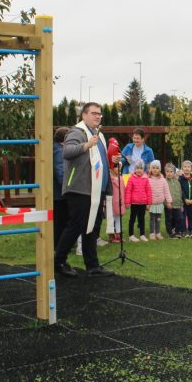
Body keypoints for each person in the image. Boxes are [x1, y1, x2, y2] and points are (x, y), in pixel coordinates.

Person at [55, 102, 115, 277]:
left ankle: (92, 266)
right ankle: (58, 261)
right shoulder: (77, 132)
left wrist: (113, 159)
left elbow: (102, 161)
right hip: (81, 189)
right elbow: (67, 151)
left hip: (97, 189)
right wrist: (87, 145)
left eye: (99, 114)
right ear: (84, 115)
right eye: (94, 113)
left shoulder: (98, 135)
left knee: (93, 228)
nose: (98, 116)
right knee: (77, 225)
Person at [52, 127, 73, 270]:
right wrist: (68, 188)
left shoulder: (56, 148)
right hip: (61, 193)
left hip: (58, 192)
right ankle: (60, 246)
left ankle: (58, 245)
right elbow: (61, 171)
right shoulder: (59, 151)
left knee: (61, 220)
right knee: (62, 221)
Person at [125, 160, 152, 242]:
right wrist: (127, 202)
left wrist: (148, 203)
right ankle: (131, 235)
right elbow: (128, 191)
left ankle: (142, 234)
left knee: (141, 219)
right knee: (132, 219)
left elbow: (149, 191)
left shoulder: (146, 178)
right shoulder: (131, 178)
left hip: (143, 203)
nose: (139, 170)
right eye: (137, 168)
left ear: (143, 169)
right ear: (135, 169)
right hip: (134, 203)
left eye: (141, 168)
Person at [147, 160, 172, 240]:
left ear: (160, 169)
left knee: (158, 219)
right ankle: (152, 233)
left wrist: (168, 201)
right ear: (150, 169)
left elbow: (166, 191)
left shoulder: (163, 180)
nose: (155, 169)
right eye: (153, 168)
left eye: (157, 168)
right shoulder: (148, 179)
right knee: (152, 219)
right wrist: (147, 203)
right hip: (151, 203)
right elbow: (146, 191)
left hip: (160, 203)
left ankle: (158, 233)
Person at [179, 161, 192, 237]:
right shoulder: (180, 179)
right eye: (185, 167)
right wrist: (185, 199)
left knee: (191, 217)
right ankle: (183, 231)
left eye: (188, 167)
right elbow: (180, 191)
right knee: (183, 217)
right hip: (184, 203)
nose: (186, 168)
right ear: (182, 168)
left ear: (191, 169)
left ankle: (191, 230)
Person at [164, 162, 183, 238]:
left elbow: (179, 193)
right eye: (167, 171)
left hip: (177, 204)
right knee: (169, 219)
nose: (169, 173)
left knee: (179, 218)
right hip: (169, 204)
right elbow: (164, 193)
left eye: (171, 171)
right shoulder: (164, 181)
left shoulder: (177, 182)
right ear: (165, 172)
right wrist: (167, 203)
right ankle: (170, 232)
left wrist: (181, 204)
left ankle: (177, 231)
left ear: (174, 172)